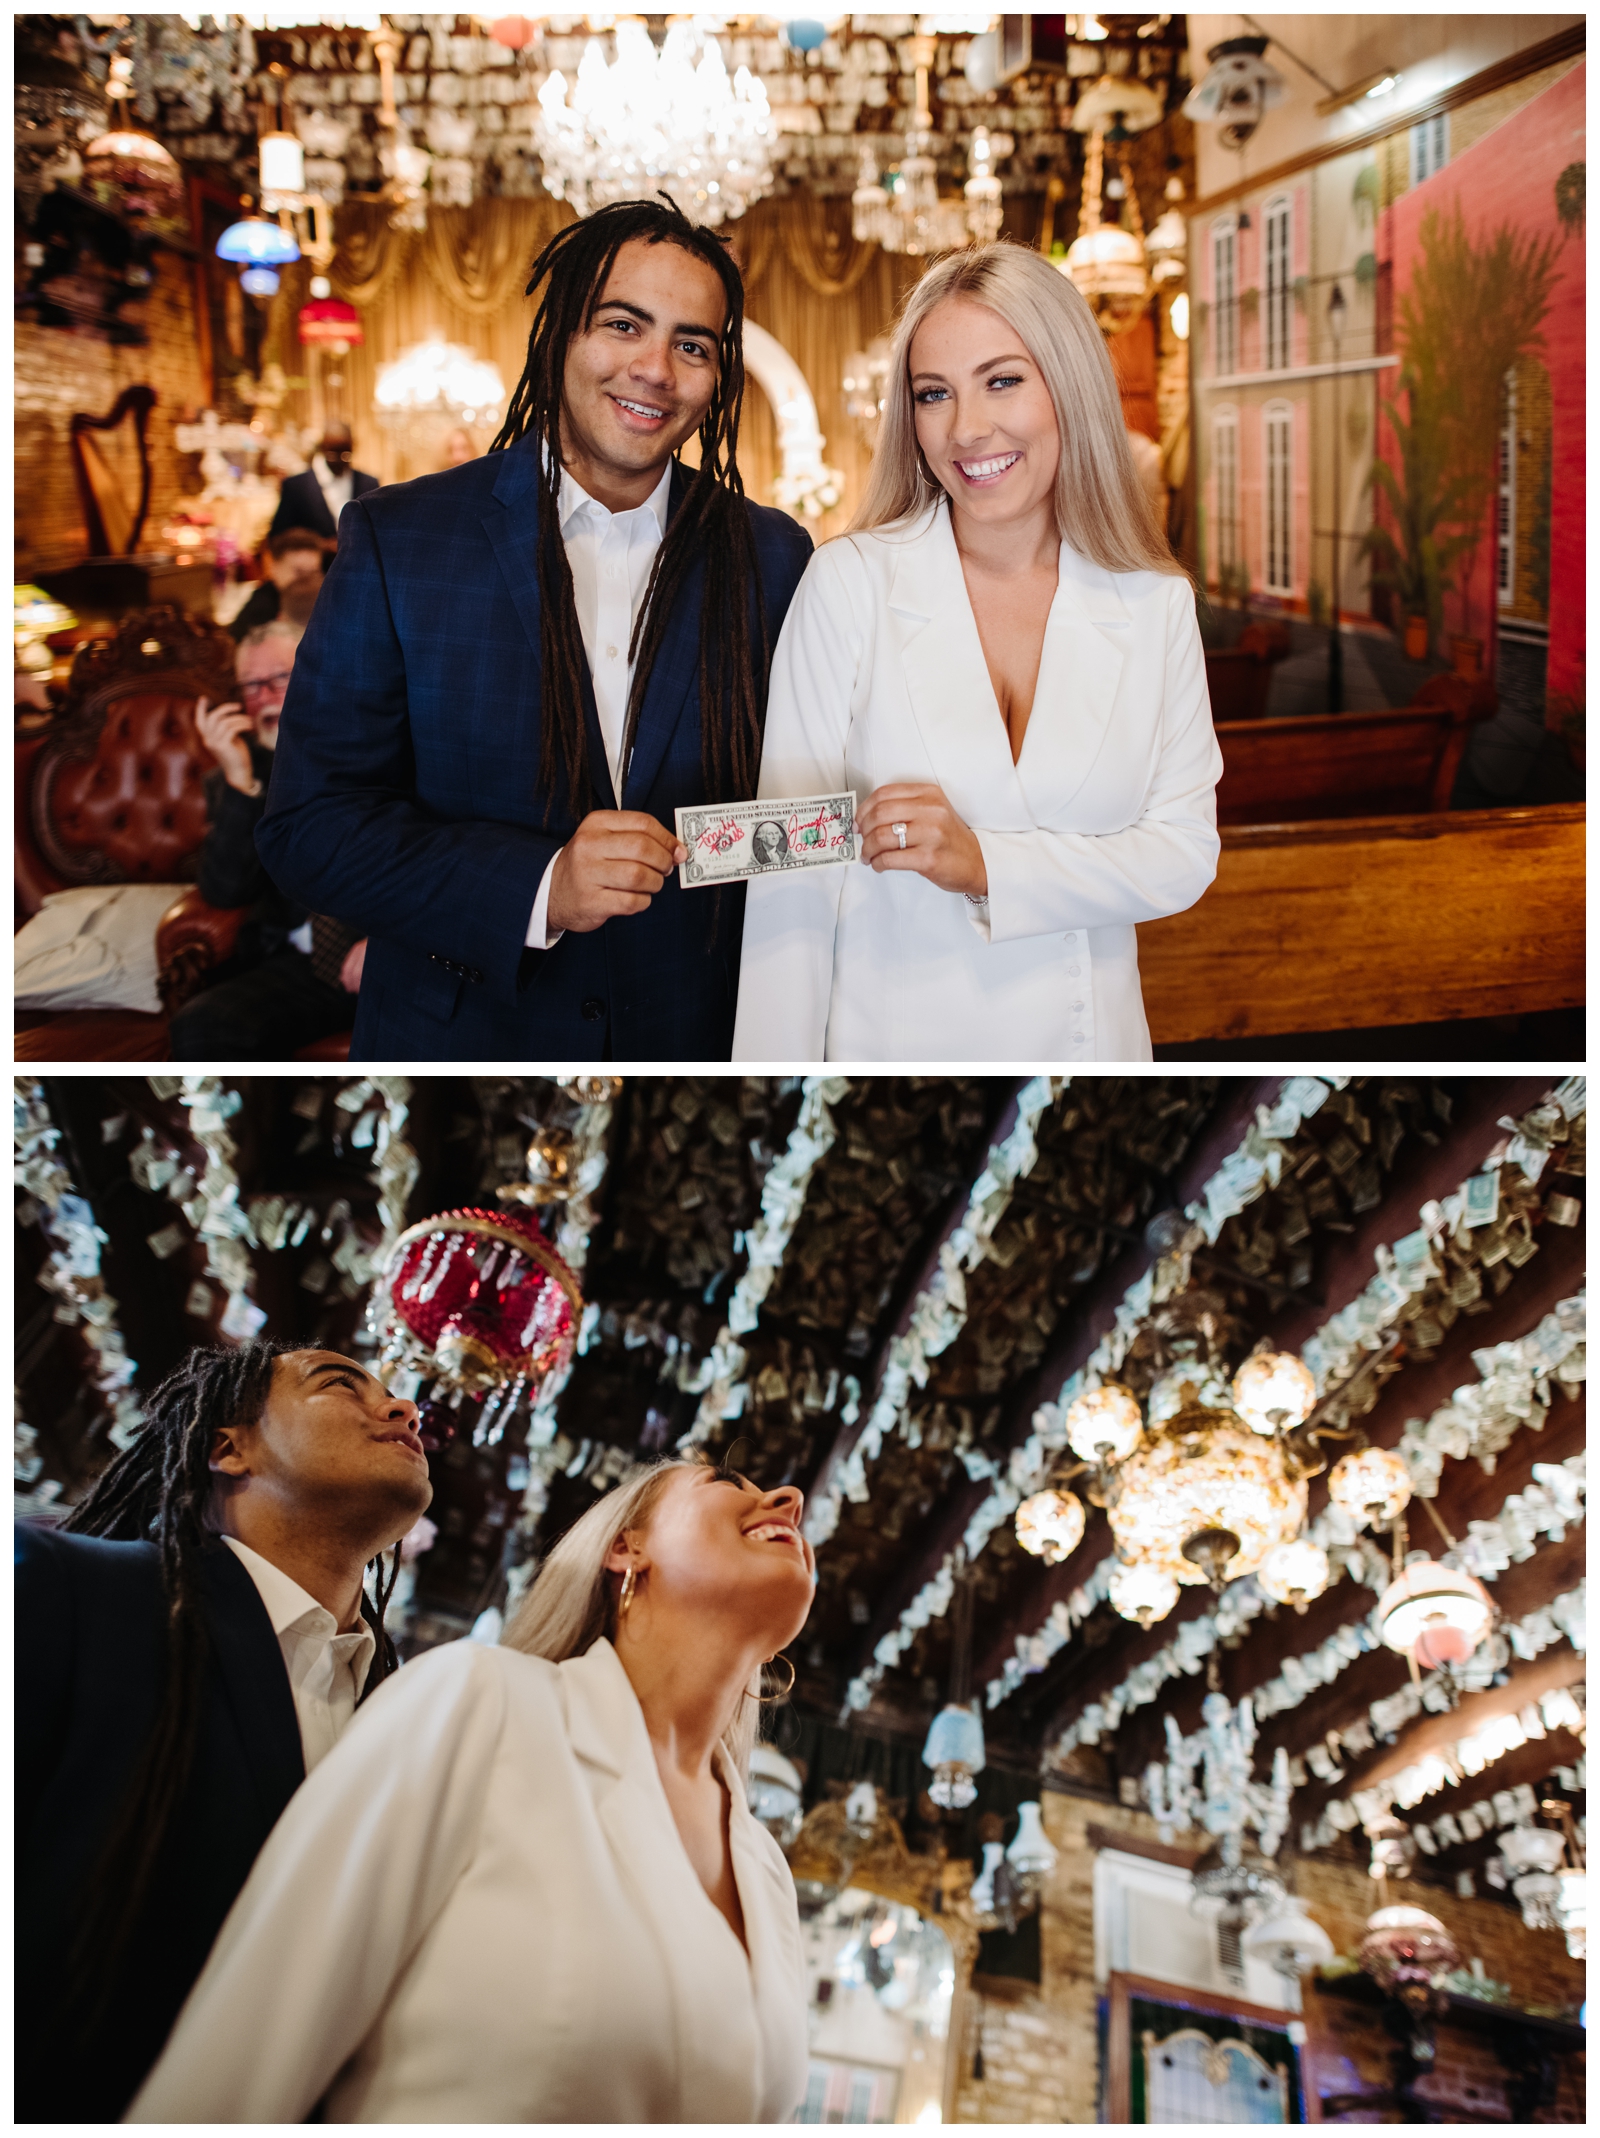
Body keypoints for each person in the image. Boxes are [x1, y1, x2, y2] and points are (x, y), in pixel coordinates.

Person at [254, 198, 813, 1062]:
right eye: (624, 325)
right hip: (461, 1049)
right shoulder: (401, 539)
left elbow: (789, 807)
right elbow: (309, 829)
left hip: (695, 1044)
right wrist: (540, 886)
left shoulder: (773, 554)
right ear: (559, 336)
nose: (656, 368)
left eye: (692, 344)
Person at [130, 1455, 815, 2121]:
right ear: (625, 1550)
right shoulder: (479, 1703)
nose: (790, 1499)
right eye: (726, 1482)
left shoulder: (766, 1871)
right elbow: (247, 2056)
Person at [732, 242, 1221, 1063]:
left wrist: (987, 863)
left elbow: (1183, 851)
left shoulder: (1154, 605)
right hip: (884, 1046)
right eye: (934, 394)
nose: (967, 428)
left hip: (1087, 1050)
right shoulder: (848, 583)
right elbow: (790, 874)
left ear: (1069, 386)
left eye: (1003, 380)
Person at [15, 1341, 432, 2123]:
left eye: (399, 1398)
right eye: (343, 1385)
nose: (404, 1409)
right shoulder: (67, 1592)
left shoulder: (413, 1724)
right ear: (228, 1449)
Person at [170, 619, 368, 1058]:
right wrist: (241, 782)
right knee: (201, 1026)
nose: (266, 698)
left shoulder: (376, 747)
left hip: (385, 950)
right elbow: (224, 893)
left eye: (281, 677)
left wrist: (394, 944)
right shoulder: (240, 775)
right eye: (251, 686)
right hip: (299, 961)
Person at [269, 420, 379, 545]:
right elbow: (279, 535)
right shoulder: (296, 486)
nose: (339, 460)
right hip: (315, 562)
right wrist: (320, 544)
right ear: (322, 448)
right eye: (333, 453)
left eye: (346, 454)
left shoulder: (369, 484)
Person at [226, 527, 329, 644]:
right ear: (274, 568)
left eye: (313, 572)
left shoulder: (324, 603)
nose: (306, 579)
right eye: (299, 572)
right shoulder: (260, 611)